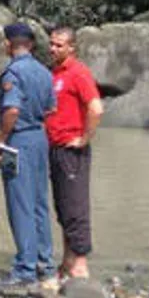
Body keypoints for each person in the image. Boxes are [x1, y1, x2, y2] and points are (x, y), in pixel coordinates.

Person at [0, 23, 56, 288]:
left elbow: (12, 110)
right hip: (40, 138)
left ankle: (24, 269)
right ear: (30, 44)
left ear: (9, 44)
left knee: (20, 204)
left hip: (18, 140)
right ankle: (45, 263)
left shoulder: (13, 72)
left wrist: (1, 140)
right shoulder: (44, 71)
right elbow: (50, 108)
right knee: (40, 202)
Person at [46, 27, 104, 279]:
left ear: (71, 48)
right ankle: (67, 260)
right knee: (62, 207)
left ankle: (80, 264)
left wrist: (84, 138)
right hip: (55, 147)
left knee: (76, 206)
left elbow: (96, 108)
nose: (53, 49)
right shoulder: (54, 73)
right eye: (51, 44)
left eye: (59, 45)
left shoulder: (78, 72)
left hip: (72, 150)